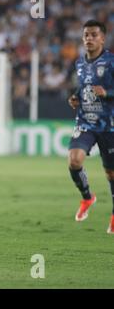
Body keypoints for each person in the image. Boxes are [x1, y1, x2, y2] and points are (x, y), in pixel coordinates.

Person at [67, 20, 114, 232]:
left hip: (109, 126)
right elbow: (84, 88)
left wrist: (108, 94)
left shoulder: (111, 62)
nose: (89, 39)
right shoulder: (79, 63)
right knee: (74, 161)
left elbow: (106, 91)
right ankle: (87, 197)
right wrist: (75, 98)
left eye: (94, 35)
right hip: (85, 121)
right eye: (86, 35)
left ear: (102, 38)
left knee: (111, 174)